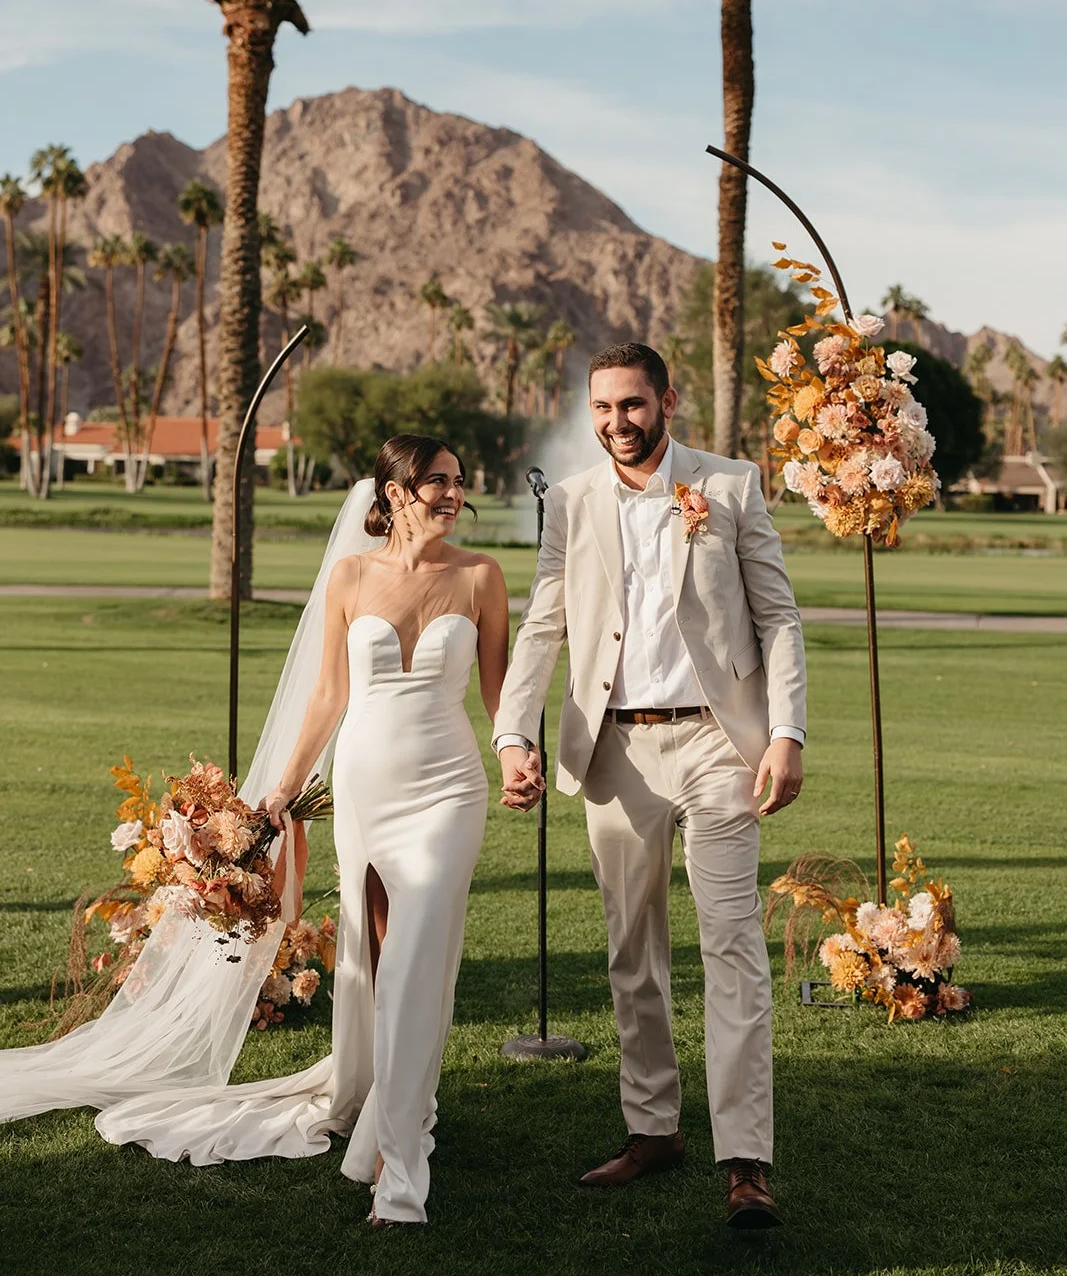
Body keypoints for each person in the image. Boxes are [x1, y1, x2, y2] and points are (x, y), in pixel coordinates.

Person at [0, 435, 537, 1226]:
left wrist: (516, 752)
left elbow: (500, 691)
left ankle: (401, 1164)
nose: (452, 495)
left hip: (448, 788)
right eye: (435, 483)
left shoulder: (481, 576)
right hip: (363, 783)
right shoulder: (351, 576)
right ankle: (380, 1107)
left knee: (420, 961)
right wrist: (278, 793)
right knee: (373, 956)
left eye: (459, 482)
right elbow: (326, 695)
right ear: (392, 495)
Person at [495, 343, 806, 1229]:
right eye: (601, 408)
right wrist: (514, 733)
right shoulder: (573, 500)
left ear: (667, 401)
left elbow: (778, 616)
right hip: (615, 752)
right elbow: (543, 624)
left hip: (717, 743)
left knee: (732, 946)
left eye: (630, 406)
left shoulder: (731, 484)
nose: (614, 424)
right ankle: (652, 1129)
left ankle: (744, 1160)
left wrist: (784, 734)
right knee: (633, 953)